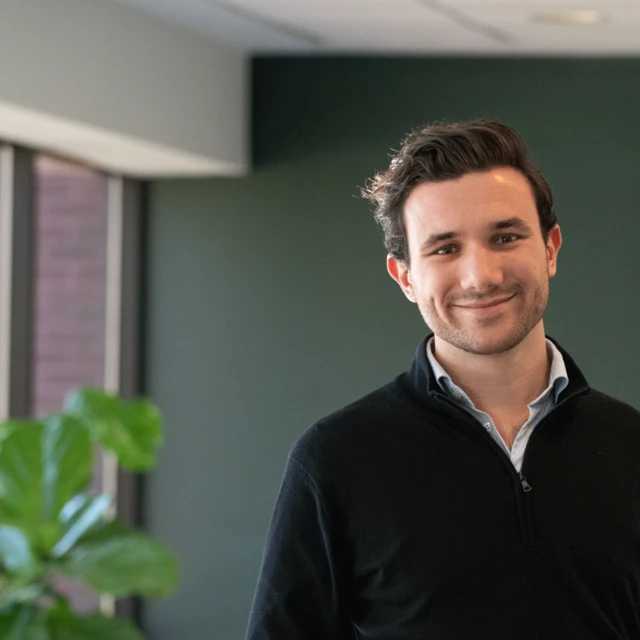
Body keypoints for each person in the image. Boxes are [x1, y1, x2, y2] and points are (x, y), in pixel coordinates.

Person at [245, 120, 640, 639]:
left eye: (505, 236)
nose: (481, 276)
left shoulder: (631, 445)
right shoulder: (337, 459)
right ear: (405, 276)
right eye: (445, 249)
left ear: (550, 248)